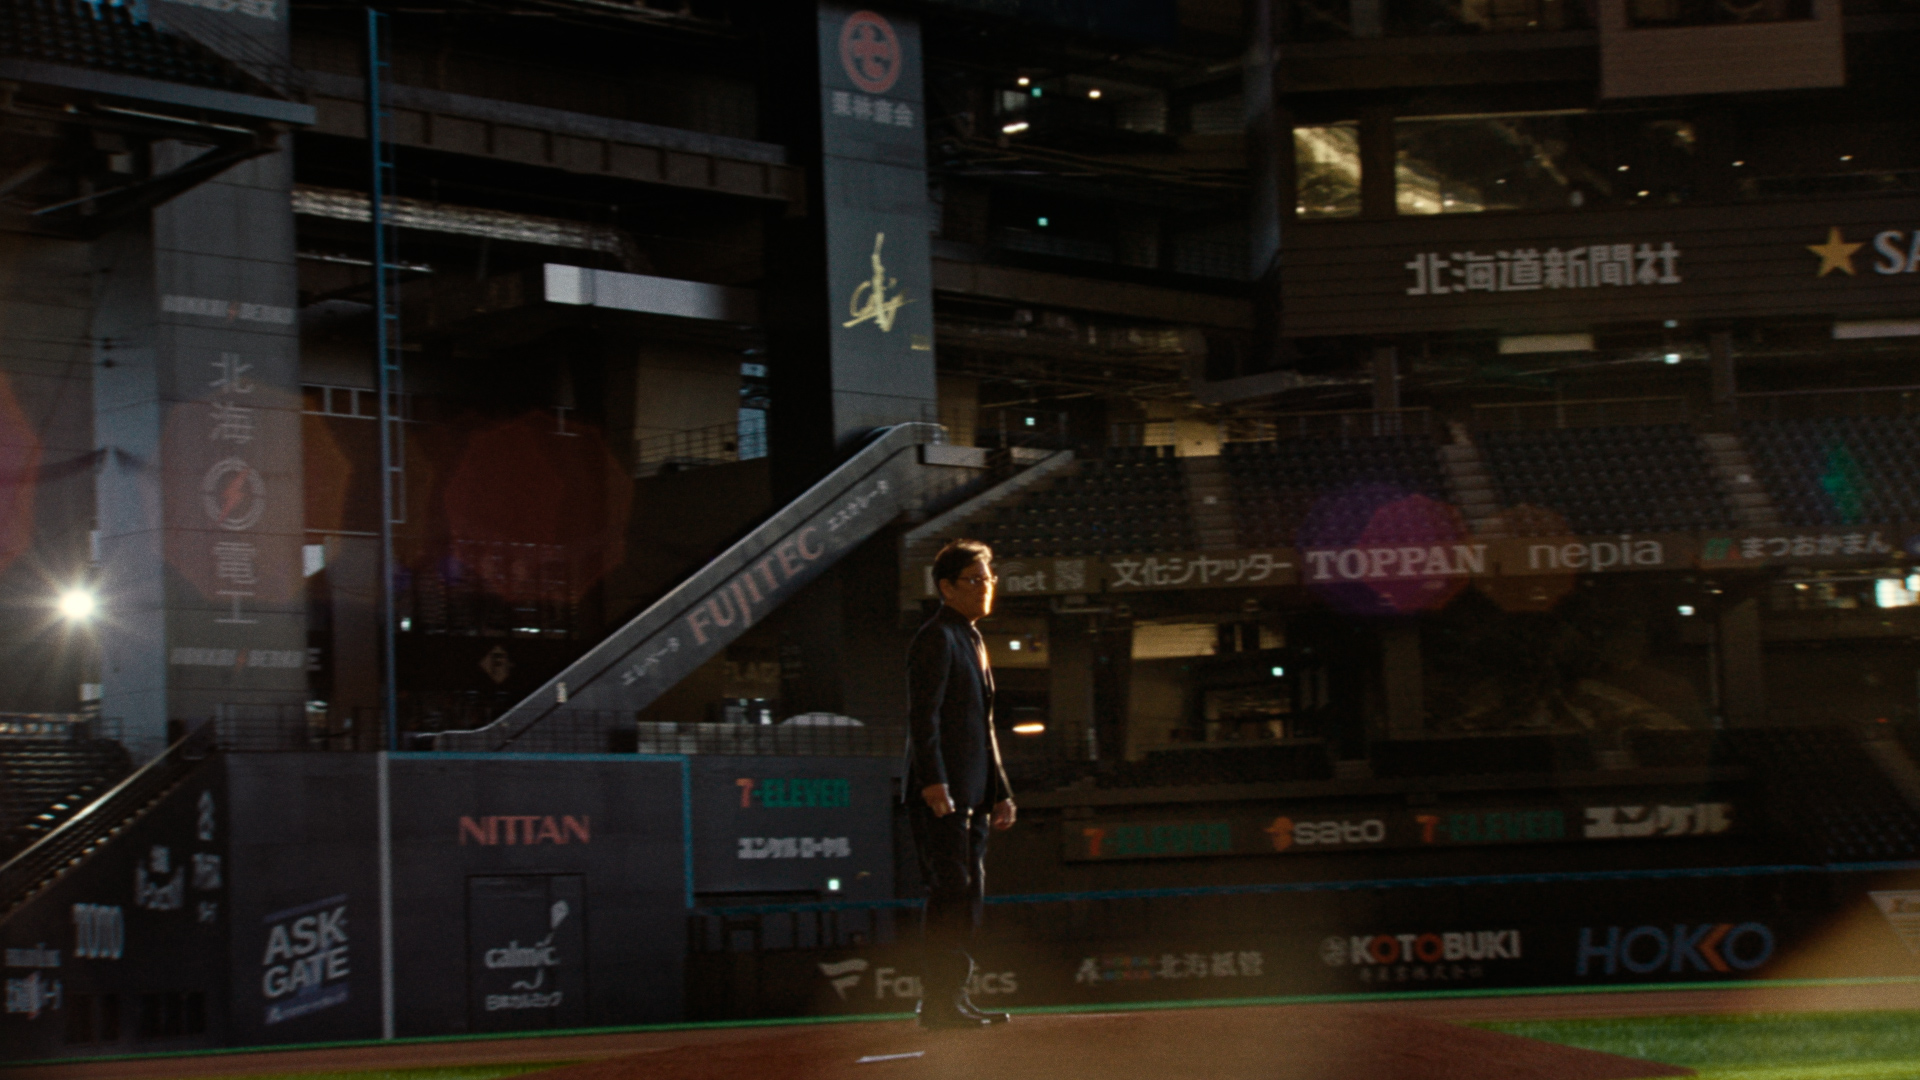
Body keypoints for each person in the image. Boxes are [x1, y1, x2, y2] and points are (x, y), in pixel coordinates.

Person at [904, 539, 1016, 1030]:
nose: (986, 587)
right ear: (947, 587)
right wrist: (933, 781)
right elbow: (923, 717)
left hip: (971, 792)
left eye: (989, 579)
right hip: (943, 795)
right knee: (950, 892)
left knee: (968, 895)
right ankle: (938, 1001)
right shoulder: (936, 636)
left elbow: (983, 725)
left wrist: (1001, 791)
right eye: (975, 580)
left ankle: (954, 995)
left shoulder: (971, 637)